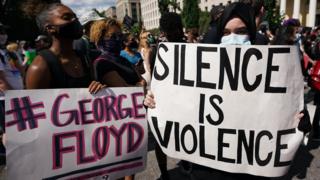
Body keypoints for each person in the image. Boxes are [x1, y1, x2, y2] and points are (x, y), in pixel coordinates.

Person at [145, 2, 310, 180]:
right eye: (225, 32)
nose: (232, 38)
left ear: (252, 34)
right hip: (205, 171)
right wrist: (156, 101)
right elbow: (183, 104)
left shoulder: (272, 74)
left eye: (241, 32)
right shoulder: (200, 70)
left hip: (249, 172)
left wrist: (299, 118)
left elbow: (289, 118)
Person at [90, 18, 145, 180]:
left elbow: (143, 81)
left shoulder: (122, 59)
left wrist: (138, 85)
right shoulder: (102, 62)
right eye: (112, 36)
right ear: (100, 39)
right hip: (116, 122)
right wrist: (138, 85)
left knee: (130, 164)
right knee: (119, 168)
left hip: (131, 118)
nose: (118, 39)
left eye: (119, 35)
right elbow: (128, 91)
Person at [25, 3, 104, 92]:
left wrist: (100, 89)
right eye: (66, 18)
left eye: (75, 17)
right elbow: (36, 103)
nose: (75, 20)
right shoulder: (40, 67)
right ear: (50, 28)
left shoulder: (84, 58)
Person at [0, 22, 24, 164]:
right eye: (0, 32)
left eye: (3, 31)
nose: (3, 35)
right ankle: (12, 158)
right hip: (6, 98)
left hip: (18, 96)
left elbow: (21, 70)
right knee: (8, 129)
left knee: (19, 128)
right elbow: (1, 81)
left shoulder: (9, 52)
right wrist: (14, 97)